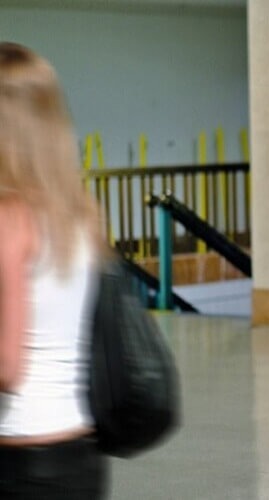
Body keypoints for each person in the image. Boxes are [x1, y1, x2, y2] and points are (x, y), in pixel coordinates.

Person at [0, 42, 107, 497]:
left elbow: (7, 364)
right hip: (79, 451)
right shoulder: (80, 212)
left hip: (22, 458)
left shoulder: (10, 217)